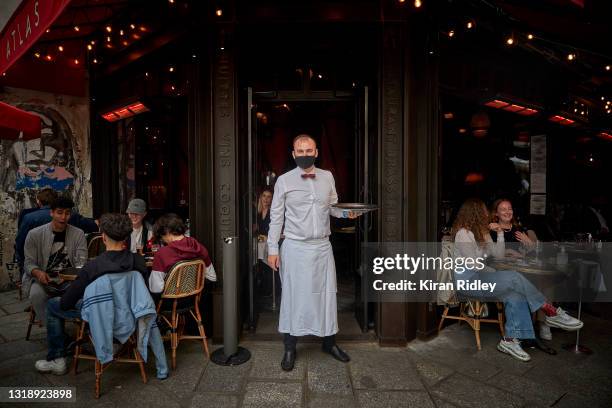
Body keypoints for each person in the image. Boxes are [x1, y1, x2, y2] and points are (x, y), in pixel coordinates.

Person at [34, 213, 168, 378]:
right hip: (134, 312)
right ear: (127, 237)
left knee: (53, 304)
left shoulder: (93, 267)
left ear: (103, 237)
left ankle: (57, 358)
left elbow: (67, 303)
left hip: (103, 316)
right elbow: (144, 295)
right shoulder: (139, 261)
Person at [267, 134, 360, 371]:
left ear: (316, 152)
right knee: (292, 297)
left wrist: (347, 214)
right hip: (295, 248)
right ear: (293, 154)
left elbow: (333, 208)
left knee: (326, 295)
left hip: (321, 247)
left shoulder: (328, 176)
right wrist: (272, 249)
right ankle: (290, 347)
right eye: (300, 151)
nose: (305, 155)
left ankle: (329, 343)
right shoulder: (284, 181)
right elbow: (276, 217)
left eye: (309, 151)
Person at [452, 198, 583, 362]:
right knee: (514, 277)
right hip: (469, 282)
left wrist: (499, 232)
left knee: (515, 294)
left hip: (481, 278)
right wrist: (493, 268)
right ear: (476, 213)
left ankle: (509, 340)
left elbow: (498, 255)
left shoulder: (480, 233)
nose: (487, 214)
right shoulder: (463, 234)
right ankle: (549, 310)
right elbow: (475, 265)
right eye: (484, 211)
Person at [22, 195, 88, 325]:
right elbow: (29, 263)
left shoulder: (78, 233)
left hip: (70, 281)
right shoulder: (35, 234)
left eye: (67, 213)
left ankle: (60, 325)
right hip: (43, 280)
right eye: (59, 213)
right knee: (36, 295)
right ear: (51, 212)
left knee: (87, 295)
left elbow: (82, 262)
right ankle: (52, 327)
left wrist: (70, 276)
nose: (63, 217)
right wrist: (39, 273)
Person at [149, 213, 216, 299]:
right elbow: (212, 277)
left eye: (161, 236)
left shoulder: (162, 253)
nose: (162, 240)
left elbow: (156, 289)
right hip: (195, 299)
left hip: (170, 302)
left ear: (167, 232)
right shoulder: (198, 246)